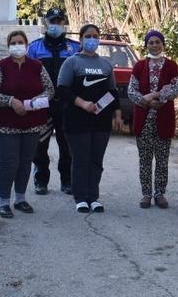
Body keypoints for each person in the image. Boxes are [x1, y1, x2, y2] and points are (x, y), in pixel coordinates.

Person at [0, 30, 55, 218]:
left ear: (27, 45)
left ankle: (20, 199)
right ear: (8, 46)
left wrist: (34, 102)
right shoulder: (1, 67)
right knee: (8, 163)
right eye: (13, 42)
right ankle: (3, 202)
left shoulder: (37, 66)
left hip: (32, 123)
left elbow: (50, 90)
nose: (17, 45)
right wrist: (10, 101)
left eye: (20, 42)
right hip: (6, 124)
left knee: (25, 162)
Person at [57, 24, 125, 213]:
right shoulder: (72, 62)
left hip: (101, 122)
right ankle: (80, 198)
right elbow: (62, 89)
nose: (92, 39)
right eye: (88, 36)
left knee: (96, 160)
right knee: (81, 159)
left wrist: (117, 114)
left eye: (95, 36)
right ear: (81, 39)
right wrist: (82, 103)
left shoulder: (105, 64)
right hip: (77, 120)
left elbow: (113, 92)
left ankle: (93, 197)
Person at [27, 8, 81, 195]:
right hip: (43, 106)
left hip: (67, 106)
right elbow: (28, 77)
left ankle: (67, 181)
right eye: (52, 22)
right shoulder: (34, 48)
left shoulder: (75, 48)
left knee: (67, 145)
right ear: (45, 24)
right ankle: (40, 180)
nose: (55, 25)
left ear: (64, 24)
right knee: (40, 144)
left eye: (59, 21)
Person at [128, 30, 178, 209]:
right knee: (145, 159)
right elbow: (131, 91)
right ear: (146, 45)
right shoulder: (139, 66)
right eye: (151, 42)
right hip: (144, 120)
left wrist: (156, 95)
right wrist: (147, 103)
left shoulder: (172, 65)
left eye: (158, 42)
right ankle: (146, 194)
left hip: (164, 120)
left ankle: (160, 194)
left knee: (162, 159)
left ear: (163, 44)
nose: (155, 45)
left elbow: (174, 90)